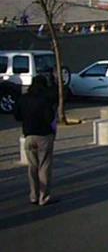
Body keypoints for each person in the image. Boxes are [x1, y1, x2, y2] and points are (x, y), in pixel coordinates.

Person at [14, 75, 56, 206]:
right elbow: (50, 118)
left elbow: (17, 116)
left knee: (32, 167)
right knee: (44, 167)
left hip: (29, 136)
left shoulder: (23, 99)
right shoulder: (45, 100)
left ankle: (33, 195)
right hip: (44, 136)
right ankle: (44, 197)